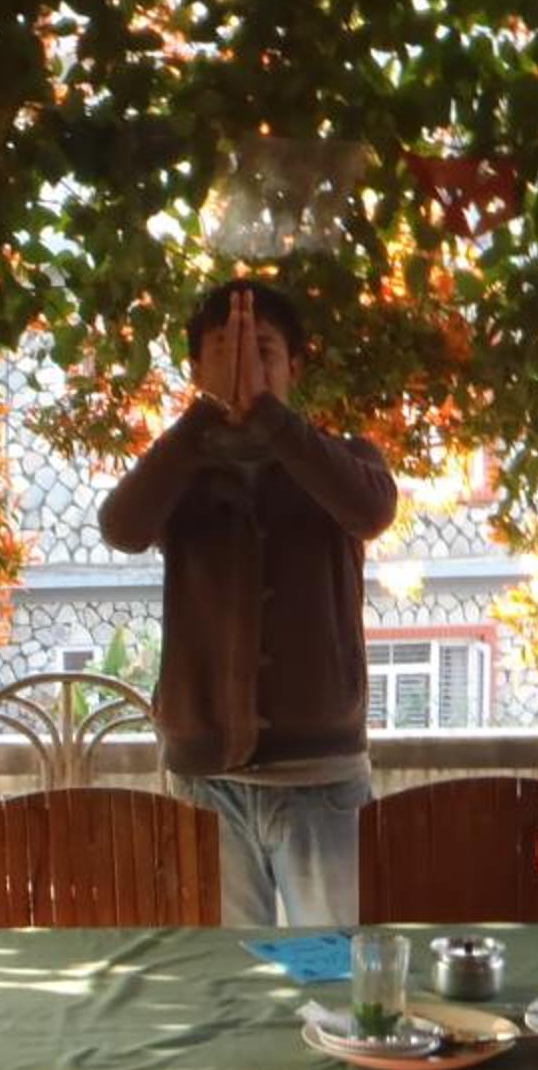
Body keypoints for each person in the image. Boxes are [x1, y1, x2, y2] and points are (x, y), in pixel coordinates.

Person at [99, 279, 397, 925]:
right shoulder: (181, 472)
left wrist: (267, 415)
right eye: (223, 351)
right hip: (205, 783)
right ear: (195, 369)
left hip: (322, 780)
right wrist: (204, 416)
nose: (245, 368)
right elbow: (122, 527)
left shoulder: (344, 459)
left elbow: (371, 511)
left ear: (295, 367)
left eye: (263, 351)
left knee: (342, 967)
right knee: (221, 973)